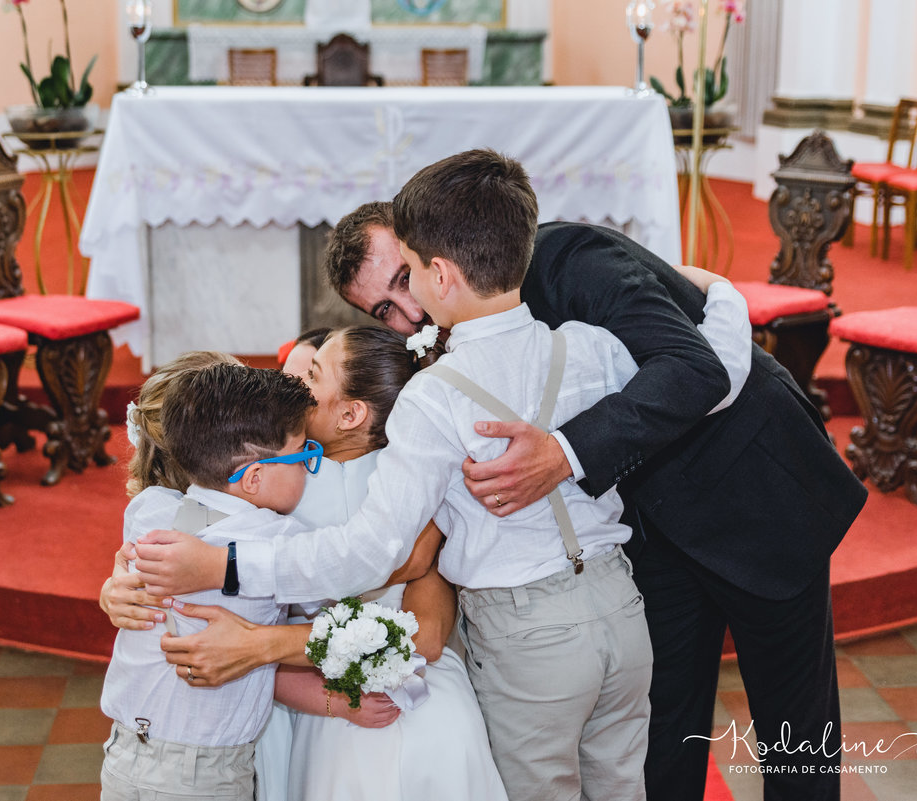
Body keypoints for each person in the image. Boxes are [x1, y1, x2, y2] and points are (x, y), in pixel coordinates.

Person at [126, 150, 749, 801]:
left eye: (413, 270)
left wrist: (225, 566)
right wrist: (726, 296)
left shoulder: (434, 399)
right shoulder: (587, 345)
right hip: (621, 612)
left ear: (442, 274)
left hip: (528, 636)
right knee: (623, 789)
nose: (409, 297)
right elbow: (716, 378)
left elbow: (370, 551)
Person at [317, 202, 869, 797]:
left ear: (427, 251)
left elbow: (697, 367)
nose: (412, 312)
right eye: (385, 311)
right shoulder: (438, 353)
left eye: (405, 281)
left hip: (752, 496)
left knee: (796, 733)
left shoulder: (563, 258)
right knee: (664, 734)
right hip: (643, 535)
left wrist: (563, 452)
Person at [106, 327, 509, 801]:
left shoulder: (175, 508)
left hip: (154, 742)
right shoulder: (285, 513)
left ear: (351, 413)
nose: (295, 387)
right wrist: (116, 585)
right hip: (268, 718)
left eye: (311, 375)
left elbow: (408, 617)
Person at [99, 356, 319, 801]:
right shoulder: (280, 539)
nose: (309, 468)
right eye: (305, 456)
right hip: (203, 772)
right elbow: (335, 615)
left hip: (123, 752)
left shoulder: (149, 508)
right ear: (254, 477)